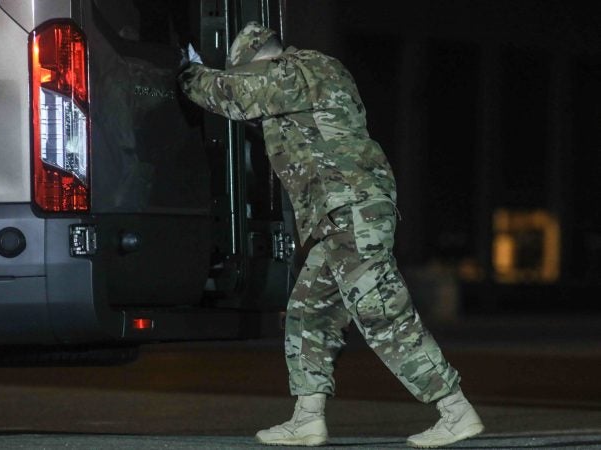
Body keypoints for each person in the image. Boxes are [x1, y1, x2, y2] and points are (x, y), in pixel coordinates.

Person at [178, 22, 484, 448]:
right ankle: (307, 418)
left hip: (350, 208)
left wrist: (189, 73)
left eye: (244, 71)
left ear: (257, 60)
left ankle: (455, 410)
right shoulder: (315, 74)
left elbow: (231, 97)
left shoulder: (292, 72)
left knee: (380, 310)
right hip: (344, 212)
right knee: (310, 312)